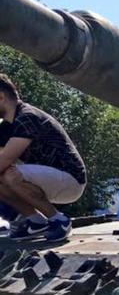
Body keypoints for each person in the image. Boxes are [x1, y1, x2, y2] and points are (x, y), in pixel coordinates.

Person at [0, 73, 86, 241]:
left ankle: (59, 221)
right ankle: (36, 221)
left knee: (9, 174)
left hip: (71, 180)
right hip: (45, 181)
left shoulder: (27, 117)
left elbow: (4, 161)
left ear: (1, 96)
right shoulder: (6, 128)